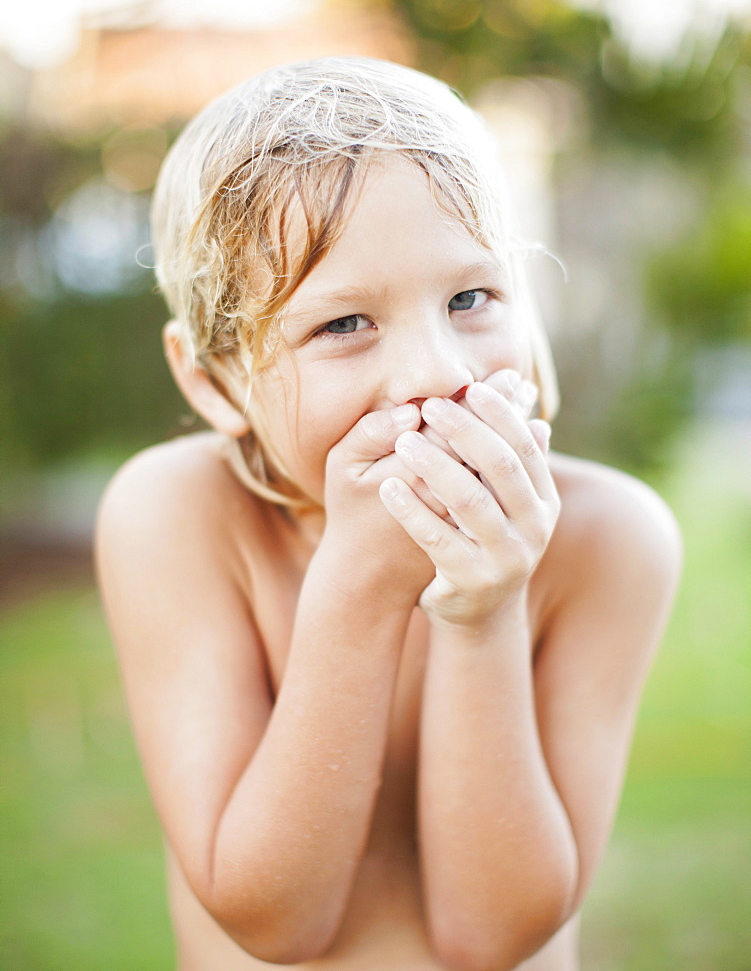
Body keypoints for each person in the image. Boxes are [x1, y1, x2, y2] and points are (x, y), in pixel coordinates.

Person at [95, 57, 682, 971]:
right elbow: (274, 922)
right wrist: (358, 587)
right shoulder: (178, 517)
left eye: (468, 298)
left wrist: (483, 615)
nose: (437, 371)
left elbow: (490, 936)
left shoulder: (607, 540)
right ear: (212, 382)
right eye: (343, 324)